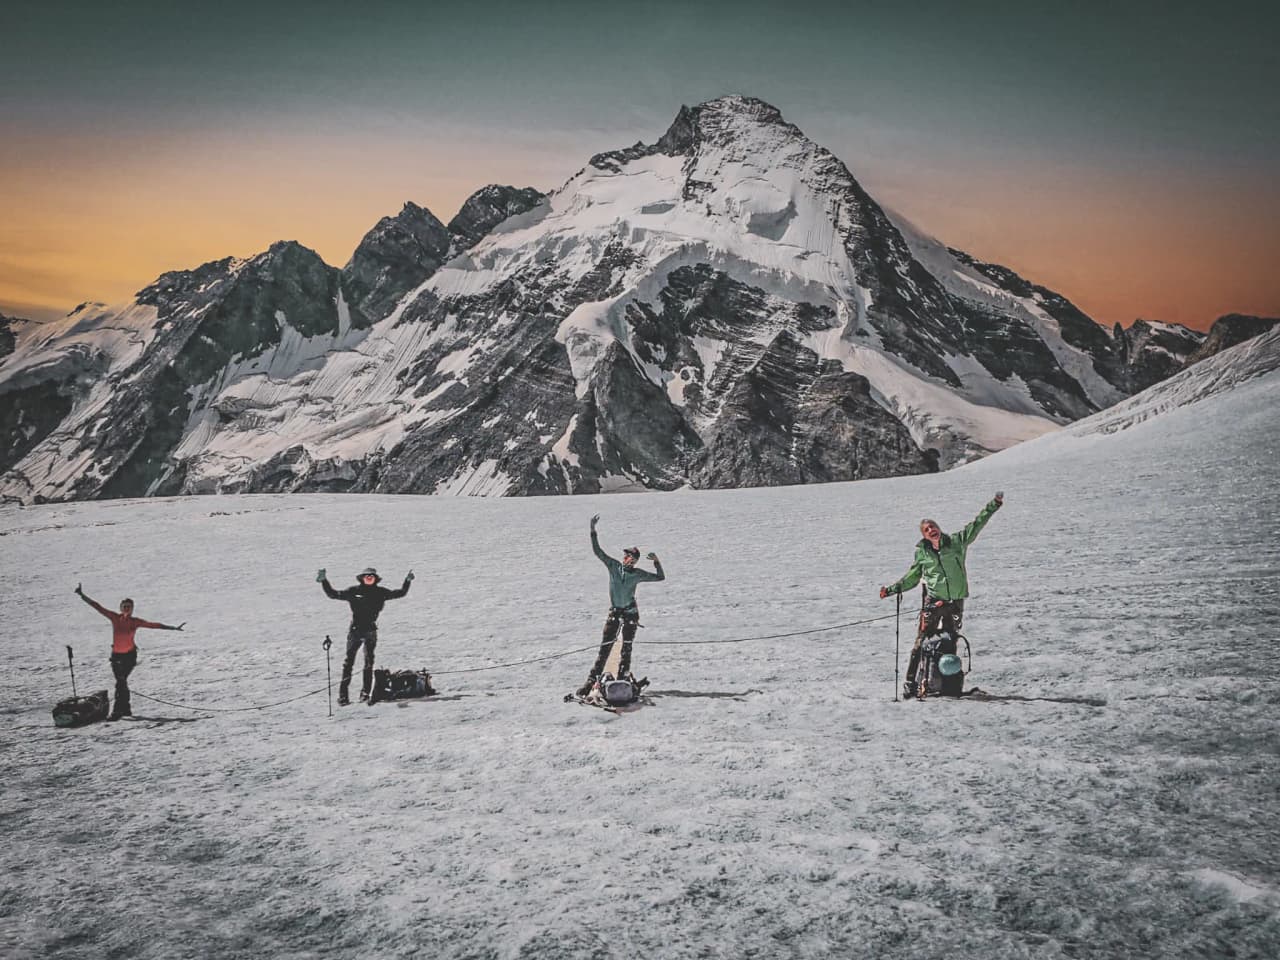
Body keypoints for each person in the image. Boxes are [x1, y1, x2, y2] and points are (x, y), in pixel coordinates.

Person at [879, 492, 1004, 699]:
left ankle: (948, 684)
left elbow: (977, 524)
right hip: (933, 603)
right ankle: (911, 683)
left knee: (950, 640)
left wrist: (994, 504)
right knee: (921, 641)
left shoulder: (956, 542)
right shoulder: (923, 554)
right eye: (927, 530)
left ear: (939, 529)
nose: (931, 530)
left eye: (933, 527)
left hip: (955, 602)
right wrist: (892, 590)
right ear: (924, 535)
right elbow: (912, 577)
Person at [575, 514, 665, 697]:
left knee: (626, 647)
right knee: (605, 646)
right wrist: (593, 531)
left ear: (635, 560)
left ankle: (622, 679)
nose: (627, 559)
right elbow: (598, 552)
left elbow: (660, 577)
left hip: (630, 613)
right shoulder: (613, 566)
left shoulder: (638, 574)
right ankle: (591, 682)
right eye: (626, 556)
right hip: (615, 611)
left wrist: (657, 562)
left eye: (630, 557)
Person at [75, 583, 185, 720]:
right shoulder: (115, 618)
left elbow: (153, 625)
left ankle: (117, 712)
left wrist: (172, 628)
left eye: (129, 607)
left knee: (121, 682)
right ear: (121, 608)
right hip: (116, 656)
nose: (127, 609)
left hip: (129, 656)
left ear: (132, 609)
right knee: (121, 682)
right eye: (124, 606)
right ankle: (125, 710)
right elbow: (98, 607)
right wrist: (82, 595)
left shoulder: (135, 622)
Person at [318, 566, 413, 706]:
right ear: (362, 578)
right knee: (348, 663)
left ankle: (365, 694)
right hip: (355, 631)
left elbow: (400, 593)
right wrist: (323, 580)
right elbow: (333, 594)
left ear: (375, 579)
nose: (369, 577)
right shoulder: (353, 591)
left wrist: (407, 581)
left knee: (368, 663)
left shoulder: (381, 592)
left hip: (370, 631)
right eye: (366, 576)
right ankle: (343, 697)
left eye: (372, 576)